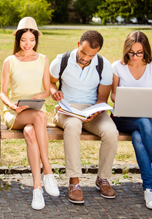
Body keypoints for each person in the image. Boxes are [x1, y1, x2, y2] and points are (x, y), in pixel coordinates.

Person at [49, 30, 118, 204]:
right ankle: (74, 181)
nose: (86, 58)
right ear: (78, 44)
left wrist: (95, 111)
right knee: (73, 126)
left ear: (98, 51)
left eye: (91, 55)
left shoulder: (104, 65)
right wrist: (54, 92)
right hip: (66, 110)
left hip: (92, 111)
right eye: (83, 53)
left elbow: (102, 98)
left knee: (111, 131)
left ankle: (103, 178)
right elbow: (50, 82)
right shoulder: (61, 61)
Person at [0, 17, 59, 210]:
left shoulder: (43, 59)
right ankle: (48, 171)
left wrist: (38, 97)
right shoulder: (10, 61)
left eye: (31, 40)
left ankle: (37, 189)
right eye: (24, 39)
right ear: (18, 39)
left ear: (36, 40)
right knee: (40, 117)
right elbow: (2, 92)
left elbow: (45, 89)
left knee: (30, 132)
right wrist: (13, 105)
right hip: (15, 113)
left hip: (35, 108)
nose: (27, 44)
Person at [111, 31, 152, 210]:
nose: (135, 56)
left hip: (145, 121)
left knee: (139, 134)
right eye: (131, 52)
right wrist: (122, 101)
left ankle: (149, 188)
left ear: (146, 51)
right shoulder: (117, 66)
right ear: (126, 50)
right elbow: (113, 95)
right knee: (143, 122)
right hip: (123, 118)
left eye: (139, 52)